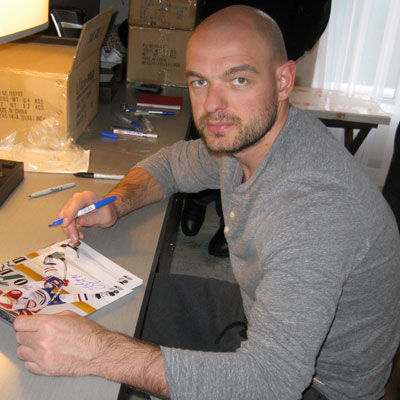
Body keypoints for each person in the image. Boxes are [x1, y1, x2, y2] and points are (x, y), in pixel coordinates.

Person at [13, 6, 400, 400]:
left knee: (101, 358)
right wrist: (115, 202)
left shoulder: (312, 212)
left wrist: (99, 353)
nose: (214, 105)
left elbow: (271, 382)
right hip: (257, 313)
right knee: (127, 304)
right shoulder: (248, 139)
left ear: (283, 81)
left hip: (319, 387)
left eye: (239, 79)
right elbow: (171, 165)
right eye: (200, 81)